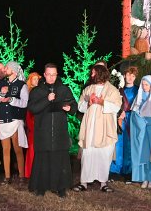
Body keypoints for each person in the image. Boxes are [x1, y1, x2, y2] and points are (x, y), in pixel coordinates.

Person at [27, 63, 77, 197]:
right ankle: (41, 187)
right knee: (43, 159)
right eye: (48, 74)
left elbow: (74, 106)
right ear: (44, 75)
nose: (51, 77)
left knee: (59, 159)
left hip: (59, 131)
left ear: (57, 74)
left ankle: (61, 187)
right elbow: (32, 108)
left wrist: (69, 108)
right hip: (43, 131)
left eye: (54, 74)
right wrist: (47, 99)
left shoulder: (64, 89)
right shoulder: (37, 91)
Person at [75, 64, 122, 192]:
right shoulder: (88, 89)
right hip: (90, 127)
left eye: (93, 73)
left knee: (104, 153)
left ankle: (103, 183)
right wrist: (88, 103)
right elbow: (80, 107)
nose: (91, 75)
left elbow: (117, 107)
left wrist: (102, 102)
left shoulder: (112, 90)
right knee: (88, 153)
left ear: (100, 74)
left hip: (105, 128)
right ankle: (84, 182)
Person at [0, 61, 29, 184]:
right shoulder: (1, 83)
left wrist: (11, 99)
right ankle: (7, 177)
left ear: (13, 70)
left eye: (6, 68)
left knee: (18, 149)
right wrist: (1, 94)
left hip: (15, 120)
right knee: (5, 150)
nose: (4, 69)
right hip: (4, 121)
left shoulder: (21, 85)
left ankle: (22, 176)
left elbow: (24, 103)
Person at [130, 75, 151, 188]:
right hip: (141, 128)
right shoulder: (139, 96)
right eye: (143, 84)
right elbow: (135, 111)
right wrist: (139, 119)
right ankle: (143, 177)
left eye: (146, 84)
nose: (144, 87)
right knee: (142, 152)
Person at [110, 66, 139, 181]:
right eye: (128, 75)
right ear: (124, 76)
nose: (130, 78)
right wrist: (119, 113)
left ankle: (128, 171)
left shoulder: (138, 90)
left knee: (129, 145)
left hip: (132, 119)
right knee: (118, 144)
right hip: (120, 118)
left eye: (133, 76)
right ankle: (115, 170)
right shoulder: (118, 89)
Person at [24, 71, 41, 179]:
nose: (36, 81)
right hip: (31, 117)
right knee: (32, 145)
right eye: (34, 79)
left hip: (38, 117)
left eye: (37, 79)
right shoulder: (28, 92)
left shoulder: (41, 90)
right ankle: (30, 171)